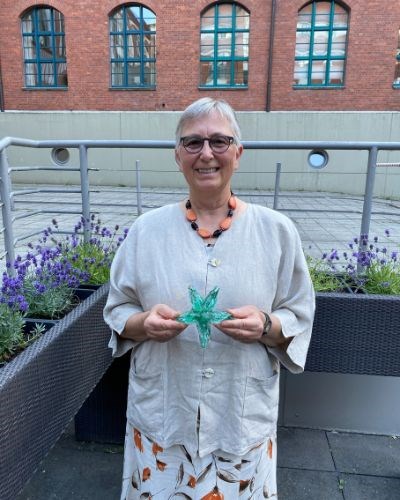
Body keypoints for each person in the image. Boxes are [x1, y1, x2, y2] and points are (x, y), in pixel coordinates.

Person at [103, 97, 315, 499]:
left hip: (240, 424)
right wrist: (142, 323)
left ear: (238, 151)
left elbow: (299, 313)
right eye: (192, 143)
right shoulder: (145, 232)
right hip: (164, 421)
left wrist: (267, 326)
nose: (206, 154)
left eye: (219, 141)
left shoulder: (277, 232)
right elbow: (117, 309)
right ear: (177, 154)